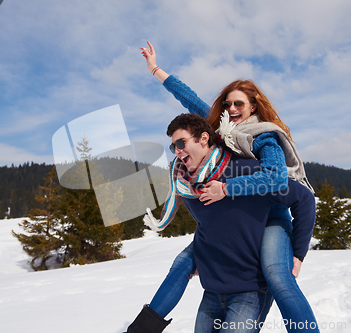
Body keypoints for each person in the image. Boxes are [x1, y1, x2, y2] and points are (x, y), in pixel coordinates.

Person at [126, 42, 319, 332]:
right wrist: (156, 70)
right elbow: (190, 100)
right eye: (227, 104)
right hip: (239, 207)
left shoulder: (264, 137)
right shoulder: (222, 129)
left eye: (238, 103)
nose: (231, 108)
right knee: (183, 262)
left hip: (271, 211)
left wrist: (225, 189)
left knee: (278, 276)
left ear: (253, 106)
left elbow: (277, 180)